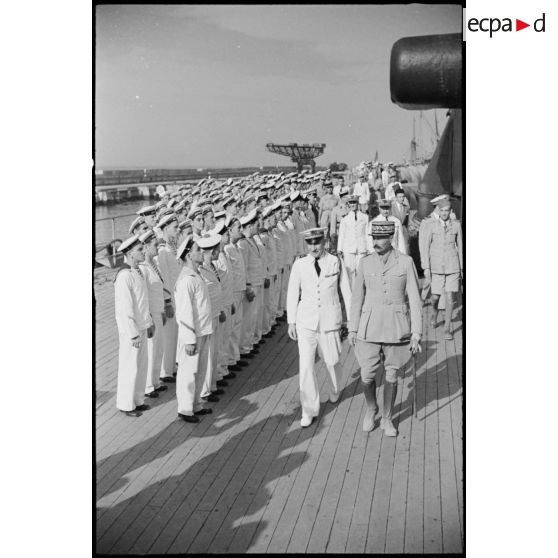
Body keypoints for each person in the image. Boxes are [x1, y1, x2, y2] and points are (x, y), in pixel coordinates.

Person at [348, 221, 422, 436]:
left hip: (396, 329)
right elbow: (356, 299)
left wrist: (416, 333)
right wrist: (353, 329)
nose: (376, 242)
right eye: (374, 238)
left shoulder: (406, 262)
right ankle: (372, 409)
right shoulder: (365, 262)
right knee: (367, 374)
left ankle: (387, 418)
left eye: (380, 238)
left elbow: (415, 301)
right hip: (368, 328)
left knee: (392, 375)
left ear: (391, 238)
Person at [287, 227, 348, 427]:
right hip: (306, 321)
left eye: (317, 242)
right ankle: (309, 410)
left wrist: (351, 320)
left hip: (329, 320)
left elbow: (346, 291)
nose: (314, 247)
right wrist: (291, 321)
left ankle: (335, 388)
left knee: (332, 360)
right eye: (310, 243)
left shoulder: (335, 261)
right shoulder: (300, 264)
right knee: (305, 367)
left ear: (325, 242)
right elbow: (292, 292)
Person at [114, 236, 154, 417]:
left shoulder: (136, 271)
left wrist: (149, 322)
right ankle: (126, 404)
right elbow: (125, 309)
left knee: (141, 366)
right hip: (132, 331)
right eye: (140, 249)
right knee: (130, 366)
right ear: (130, 254)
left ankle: (138, 400)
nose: (143, 251)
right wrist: (133, 334)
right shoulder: (124, 276)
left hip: (142, 326)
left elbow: (142, 302)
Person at [174, 235, 213, 423]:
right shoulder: (186, 280)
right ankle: (185, 409)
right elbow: (184, 312)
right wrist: (189, 339)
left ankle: (196, 404)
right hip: (193, 335)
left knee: (200, 370)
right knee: (188, 372)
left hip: (203, 330)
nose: (202, 252)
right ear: (189, 255)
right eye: (198, 250)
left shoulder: (196, 274)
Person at [419, 199, 463, 340]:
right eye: (442, 211)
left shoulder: (456, 226)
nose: (444, 213)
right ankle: (434, 312)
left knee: (450, 297)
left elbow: (461, 248)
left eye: (447, 211)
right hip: (436, 267)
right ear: (438, 211)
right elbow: (425, 247)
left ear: (450, 212)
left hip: (453, 266)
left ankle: (447, 328)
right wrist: (426, 267)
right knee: (435, 296)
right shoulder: (431, 225)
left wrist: (462, 268)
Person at [138, 230, 169, 398]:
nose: (157, 248)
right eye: (155, 245)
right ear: (146, 247)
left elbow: (160, 288)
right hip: (151, 314)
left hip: (159, 311)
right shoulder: (143, 268)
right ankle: (148, 386)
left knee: (159, 348)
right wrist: (148, 318)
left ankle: (156, 381)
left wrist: (163, 309)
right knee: (152, 349)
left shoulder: (154, 265)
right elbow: (144, 295)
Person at [337, 195, 369, 287]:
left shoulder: (365, 217)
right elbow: (341, 235)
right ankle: (351, 295)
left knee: (361, 271)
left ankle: (360, 294)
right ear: (348, 204)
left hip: (361, 248)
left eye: (354, 202)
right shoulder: (345, 219)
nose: (353, 205)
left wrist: (369, 248)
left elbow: (367, 234)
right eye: (351, 203)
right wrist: (339, 249)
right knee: (350, 271)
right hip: (348, 248)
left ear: (357, 203)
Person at [391, 187, 411, 254]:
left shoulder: (406, 207)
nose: (402, 199)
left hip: (404, 230)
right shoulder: (391, 207)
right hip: (394, 230)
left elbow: (408, 221)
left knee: (405, 249)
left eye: (403, 197)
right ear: (396, 197)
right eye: (399, 197)